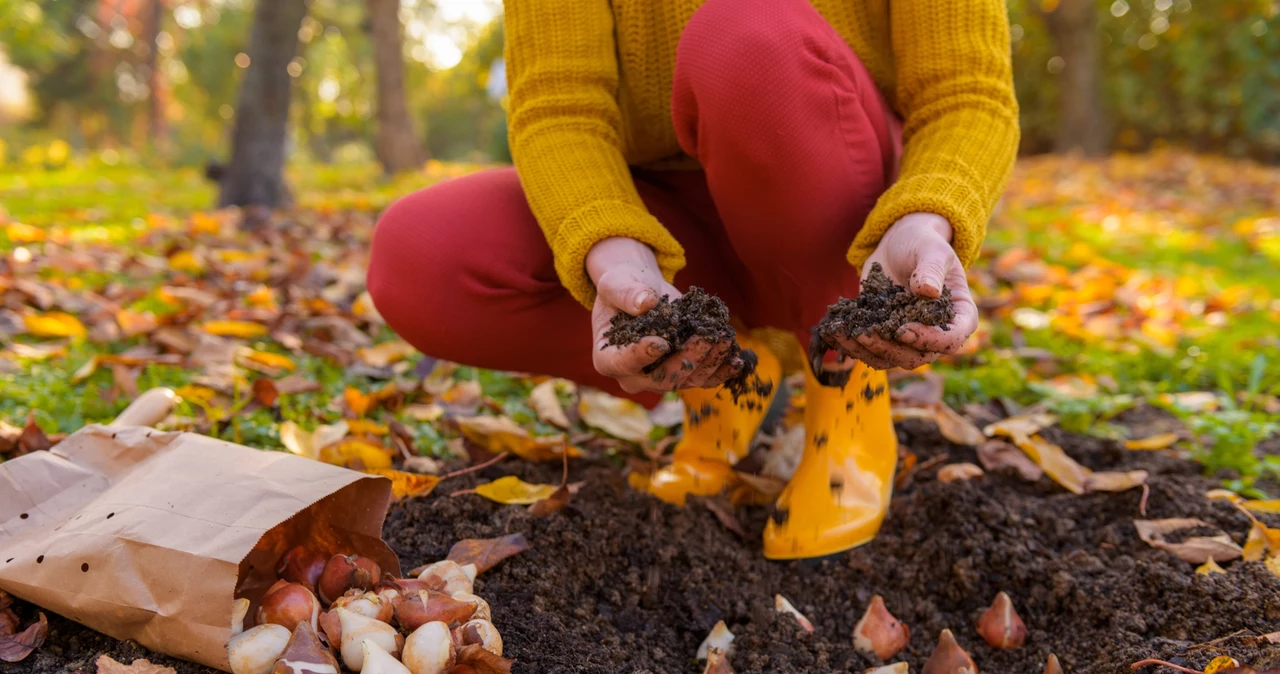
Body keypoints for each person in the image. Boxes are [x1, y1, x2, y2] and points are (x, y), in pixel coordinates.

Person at [368, 0, 1019, 559]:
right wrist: (613, 254)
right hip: (666, 225)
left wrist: (926, 216)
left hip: (838, 207)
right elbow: (558, 104)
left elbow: (967, 91)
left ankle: (847, 408)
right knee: (419, 258)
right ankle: (726, 381)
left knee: (746, 34)